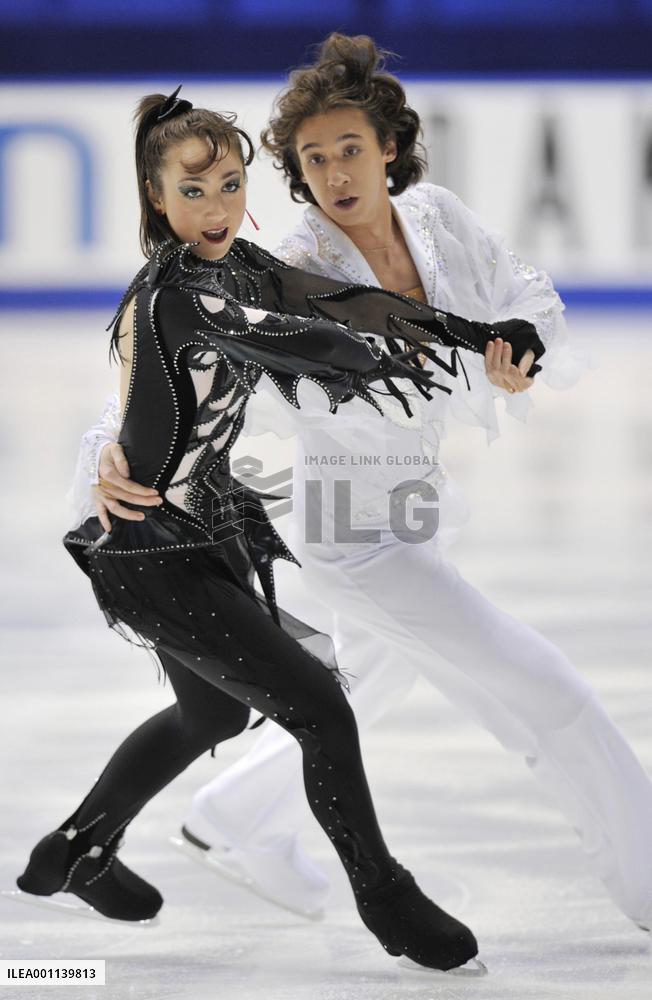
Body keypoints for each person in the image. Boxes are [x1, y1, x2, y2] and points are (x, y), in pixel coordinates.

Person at [79, 36, 652, 939]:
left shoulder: (437, 217)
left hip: (416, 506)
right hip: (348, 532)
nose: (336, 172)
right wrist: (112, 449)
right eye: (314, 158)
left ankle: (233, 816)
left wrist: (521, 347)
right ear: (298, 173)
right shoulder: (287, 261)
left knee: (367, 680)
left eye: (351, 148)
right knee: (543, 691)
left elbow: (522, 291)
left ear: (389, 144)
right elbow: (166, 364)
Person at [16, 88, 544, 974]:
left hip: (211, 532)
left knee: (215, 709)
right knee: (321, 711)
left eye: (229, 183)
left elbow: (348, 301)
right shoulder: (180, 297)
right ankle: (387, 900)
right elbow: (312, 341)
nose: (217, 207)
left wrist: (482, 331)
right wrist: (383, 351)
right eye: (193, 192)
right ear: (155, 197)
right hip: (154, 556)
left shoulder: (236, 264)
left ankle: (75, 850)